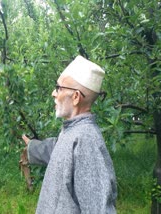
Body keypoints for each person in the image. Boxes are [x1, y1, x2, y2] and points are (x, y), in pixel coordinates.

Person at [22, 56, 117, 213]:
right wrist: (32, 146)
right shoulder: (73, 131)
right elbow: (60, 151)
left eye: (59, 88)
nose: (53, 93)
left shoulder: (86, 140)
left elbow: (98, 208)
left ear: (75, 97)